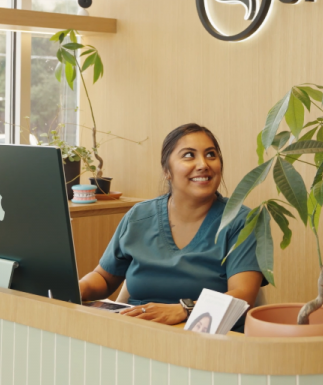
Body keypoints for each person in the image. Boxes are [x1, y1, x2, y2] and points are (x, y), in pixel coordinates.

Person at [78, 123, 265, 330]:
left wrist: (183, 310)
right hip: (136, 333)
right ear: (167, 171)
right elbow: (104, 278)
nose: (203, 164)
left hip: (208, 340)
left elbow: (242, 297)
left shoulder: (241, 221)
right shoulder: (139, 217)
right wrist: (77, 288)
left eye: (211, 154)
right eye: (189, 155)